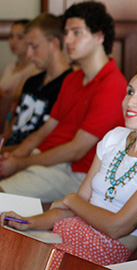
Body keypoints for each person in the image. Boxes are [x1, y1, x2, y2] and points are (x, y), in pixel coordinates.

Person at [0, 63, 137, 268]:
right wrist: (26, 222)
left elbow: (116, 227)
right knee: (8, 244)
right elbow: (72, 208)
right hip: (64, 235)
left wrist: (72, 201)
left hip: (102, 254)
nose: (130, 101)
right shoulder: (114, 137)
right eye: (130, 92)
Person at [0, 1, 126, 203]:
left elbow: (76, 150)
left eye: (76, 33)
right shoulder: (72, 79)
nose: (68, 40)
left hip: (75, 171)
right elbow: (45, 130)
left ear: (99, 36)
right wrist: (14, 157)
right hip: (45, 159)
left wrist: (21, 163)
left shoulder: (112, 85)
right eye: (66, 33)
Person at [3, 14, 72, 148]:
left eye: (34, 47)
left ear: (54, 44)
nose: (29, 53)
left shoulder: (68, 85)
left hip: (35, 158)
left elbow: (48, 144)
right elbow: (11, 132)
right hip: (10, 152)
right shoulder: (31, 82)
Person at [0, 19, 39, 133]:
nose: (13, 42)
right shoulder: (10, 67)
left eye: (19, 37)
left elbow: (18, 95)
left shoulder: (35, 67)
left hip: (15, 120)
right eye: (11, 36)